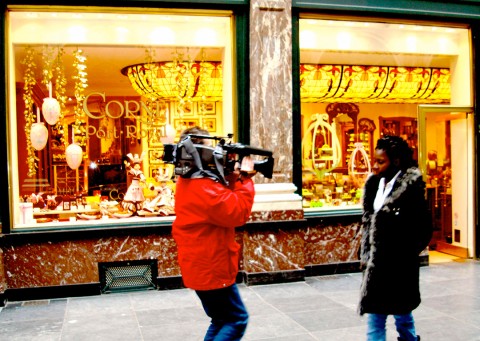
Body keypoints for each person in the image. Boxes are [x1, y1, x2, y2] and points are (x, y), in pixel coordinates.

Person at [172, 126, 256, 341]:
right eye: (209, 150)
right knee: (236, 319)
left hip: (201, 262)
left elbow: (220, 202)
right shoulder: (203, 186)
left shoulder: (190, 179)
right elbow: (237, 213)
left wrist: (230, 178)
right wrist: (244, 179)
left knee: (221, 319)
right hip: (210, 263)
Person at [358, 135, 432, 341]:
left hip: (400, 266)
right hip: (376, 266)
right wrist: (366, 254)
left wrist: (405, 253)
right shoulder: (373, 185)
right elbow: (368, 223)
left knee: (403, 314)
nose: (375, 166)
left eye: (381, 161)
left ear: (396, 162)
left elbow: (424, 228)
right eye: (375, 161)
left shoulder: (411, 189)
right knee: (375, 317)